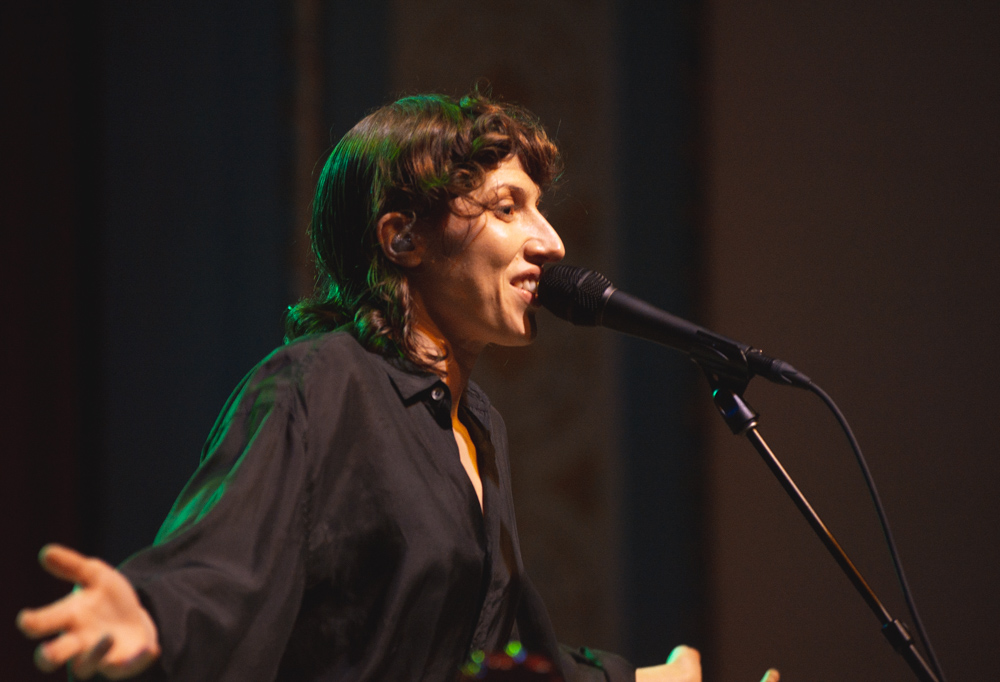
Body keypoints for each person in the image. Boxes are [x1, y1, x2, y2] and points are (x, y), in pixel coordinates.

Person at [17, 91, 778, 682]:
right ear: (402, 237)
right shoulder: (319, 382)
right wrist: (149, 614)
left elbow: (491, 657)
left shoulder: (477, 424)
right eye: (508, 208)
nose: (552, 243)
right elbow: (225, 569)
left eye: (539, 210)